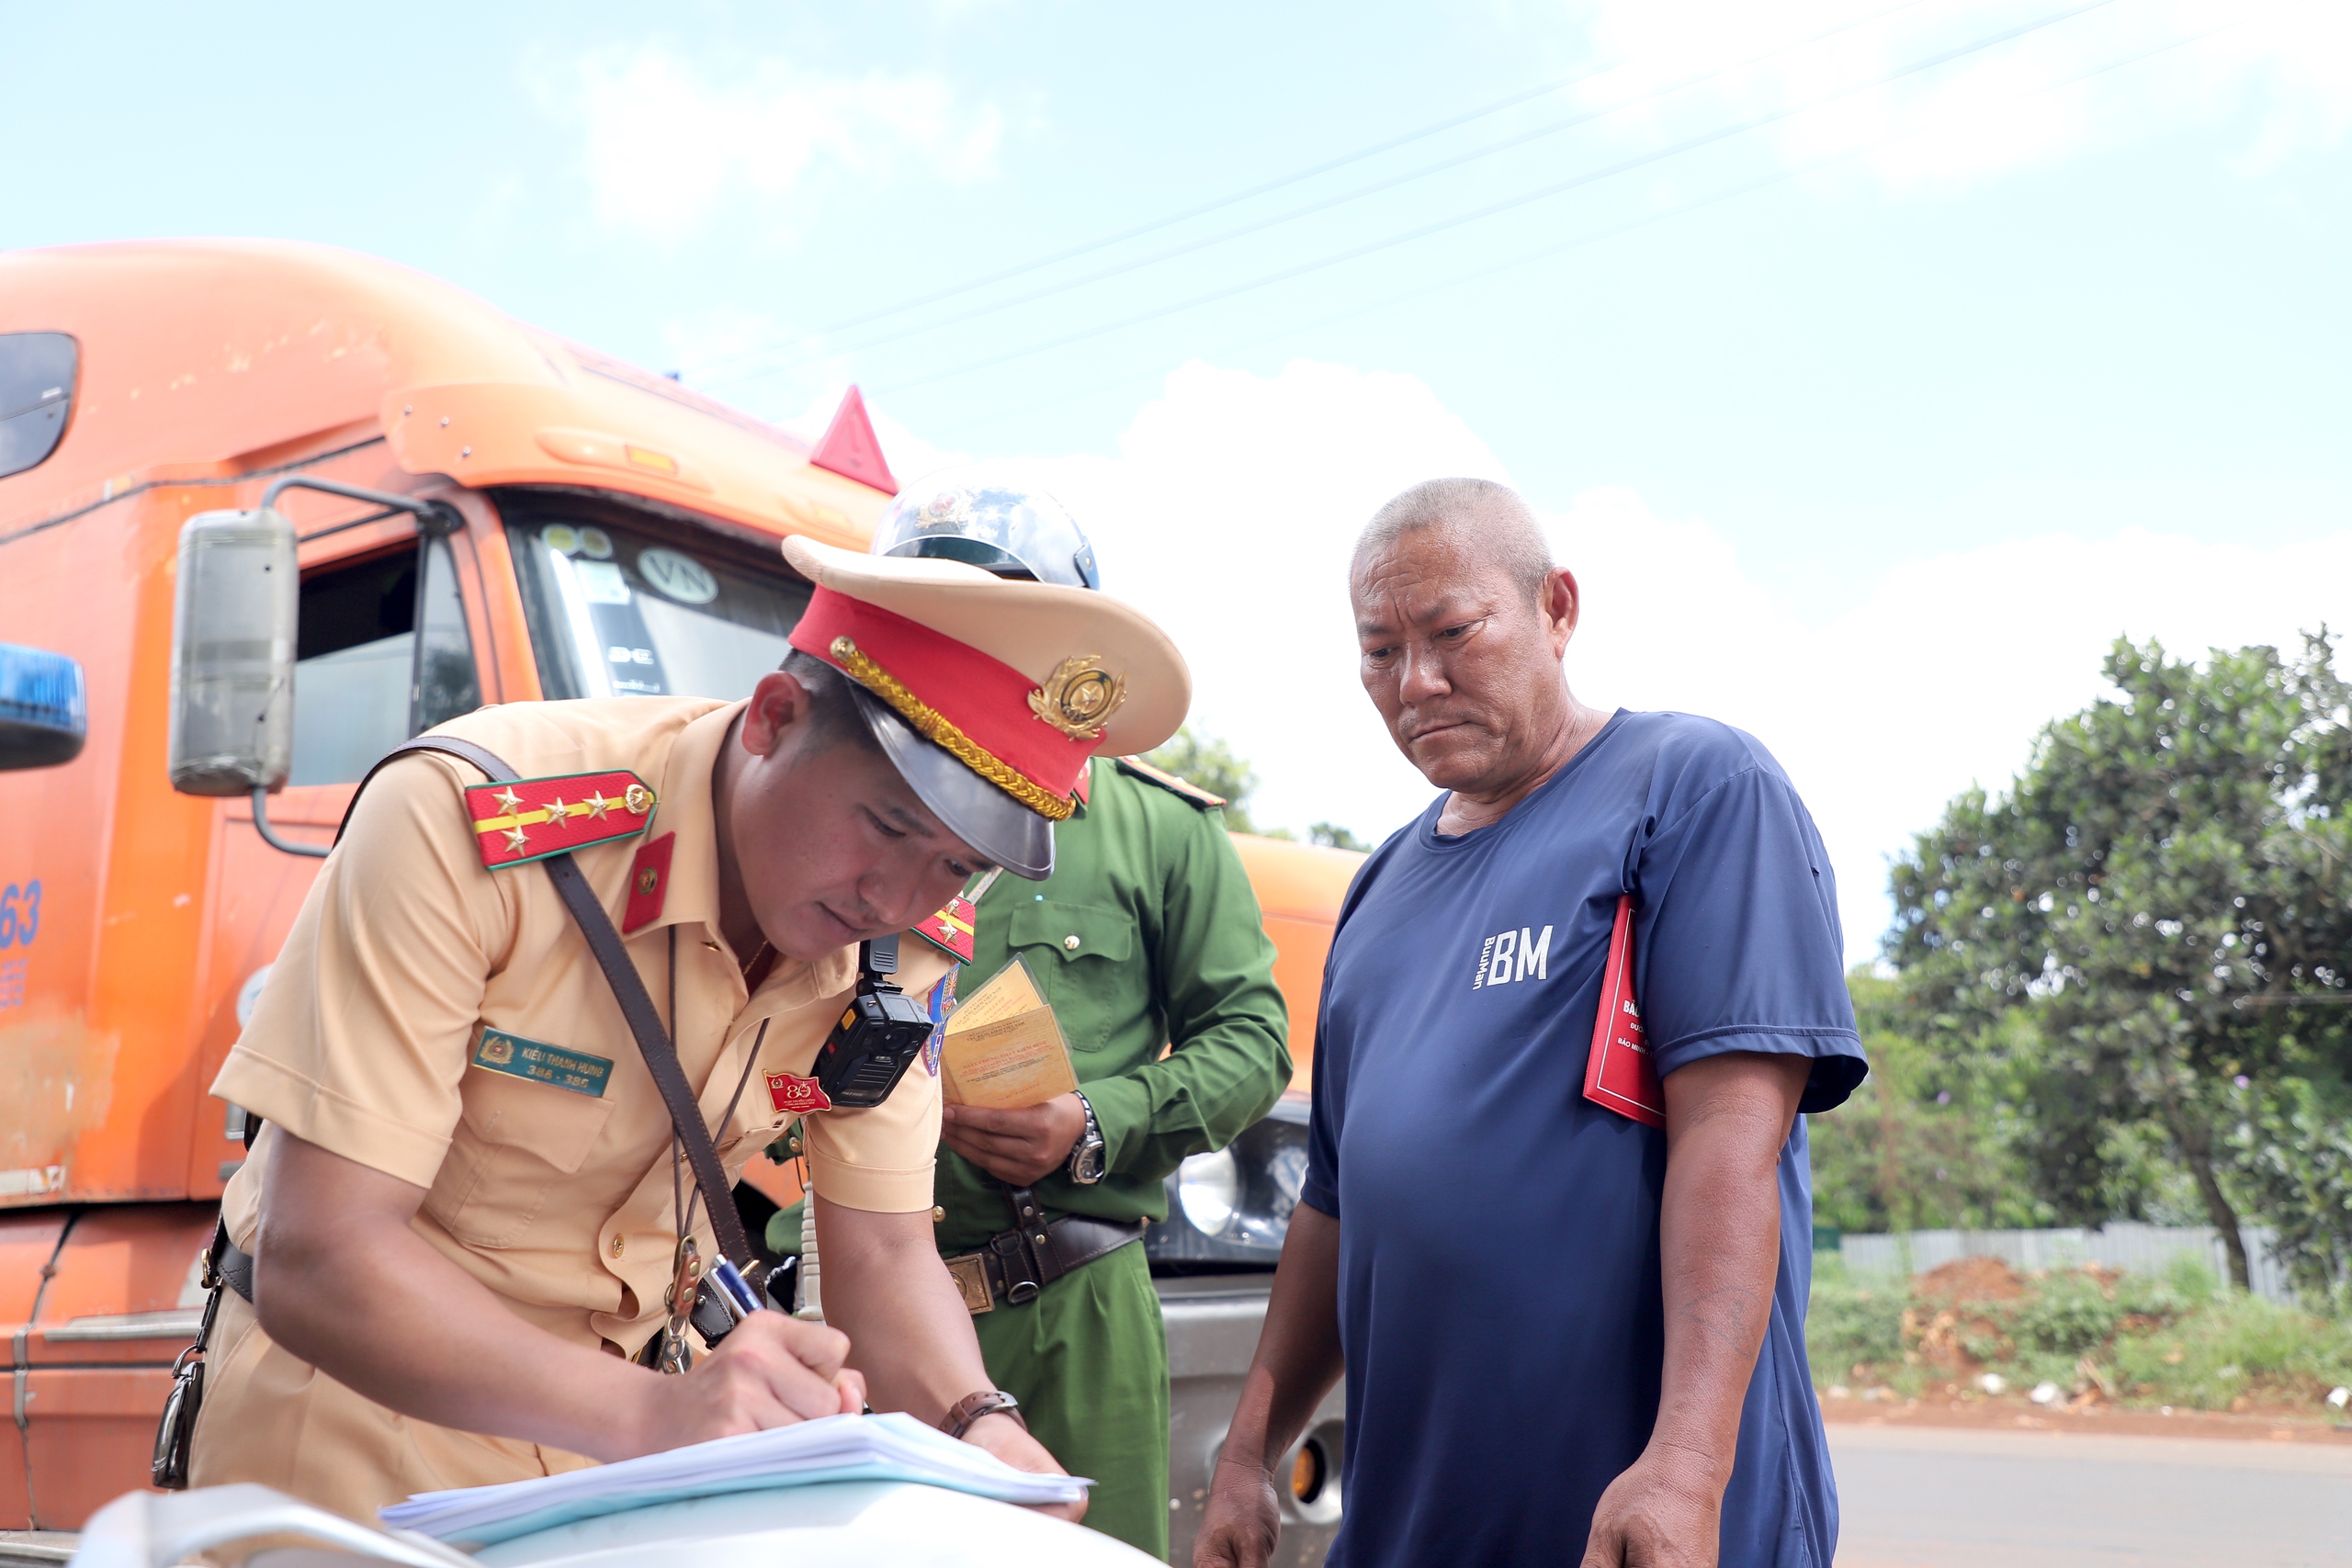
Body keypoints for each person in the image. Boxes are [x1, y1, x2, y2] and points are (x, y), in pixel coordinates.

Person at [185, 534, 1189, 1522]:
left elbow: (880, 1256)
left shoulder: (909, 936)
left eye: (957, 866)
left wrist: (980, 1427)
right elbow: (324, 1259)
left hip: (625, 1468)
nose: (897, 896)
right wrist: (659, 1414)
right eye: (886, 826)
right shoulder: (472, 817)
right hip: (354, 1451)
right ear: (773, 717)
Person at [1195, 479, 1868, 1568]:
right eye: (1377, 652)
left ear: (1556, 609)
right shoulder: (1377, 893)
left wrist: (1688, 1467)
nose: (1416, 682)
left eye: (1452, 632)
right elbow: (1331, 1207)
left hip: (1633, 1518)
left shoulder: (1692, 791)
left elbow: (1730, 1142)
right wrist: (1246, 1452)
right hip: (1416, 1522)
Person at [774, 473, 1293, 1560]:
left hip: (1067, 1305)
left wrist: (1094, 1119)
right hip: (831, 1283)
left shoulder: (1158, 830)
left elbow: (1252, 1044)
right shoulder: (809, 788)